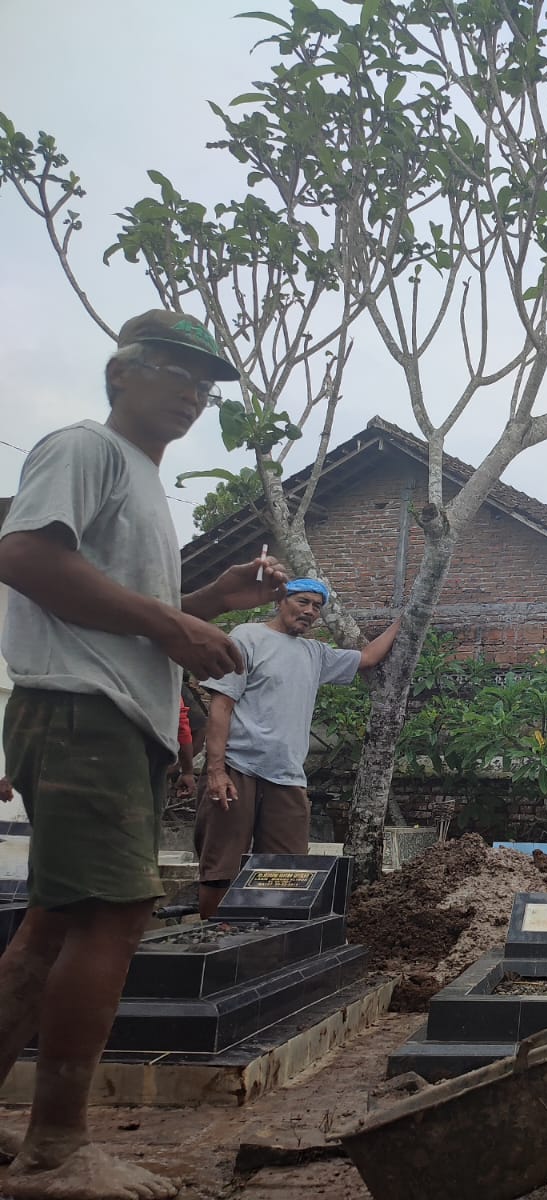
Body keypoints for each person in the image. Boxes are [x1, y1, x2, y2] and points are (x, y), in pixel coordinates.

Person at [0, 309, 288, 1200]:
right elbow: (20, 556)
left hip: (104, 717)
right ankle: (55, 1150)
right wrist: (172, 621)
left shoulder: (139, 482)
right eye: (174, 371)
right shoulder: (84, 448)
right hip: (82, 715)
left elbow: (110, 610)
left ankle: (41, 1136)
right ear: (122, 372)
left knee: (52, 926)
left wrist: (205, 597)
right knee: (113, 919)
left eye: (204, 383)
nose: (193, 394)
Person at [195, 579, 398, 917]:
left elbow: (367, 657)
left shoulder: (313, 653)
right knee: (222, 868)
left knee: (285, 872)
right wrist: (216, 770)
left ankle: (267, 948)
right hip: (237, 767)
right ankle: (212, 943)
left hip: (287, 776)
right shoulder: (247, 637)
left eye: (316, 607)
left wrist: (407, 617)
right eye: (302, 602)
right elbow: (221, 706)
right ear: (281, 600)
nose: (309, 611)